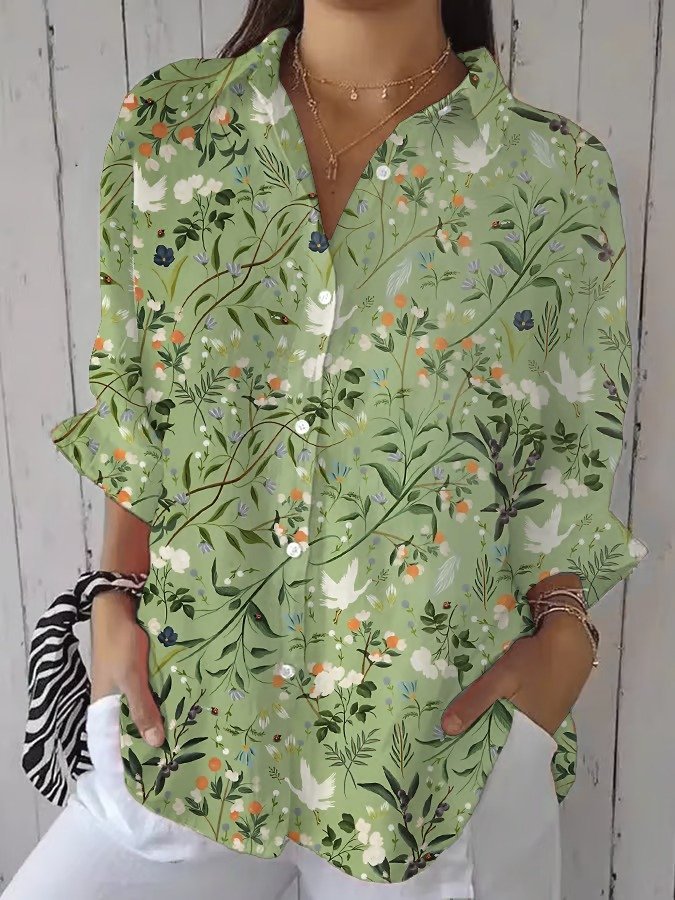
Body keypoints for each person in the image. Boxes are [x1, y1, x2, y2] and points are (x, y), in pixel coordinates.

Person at [6, 1, 648, 898]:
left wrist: (564, 641)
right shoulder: (172, 128)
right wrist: (113, 597)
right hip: (187, 731)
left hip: (429, 768)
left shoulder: (553, 172)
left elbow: (567, 452)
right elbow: (139, 406)